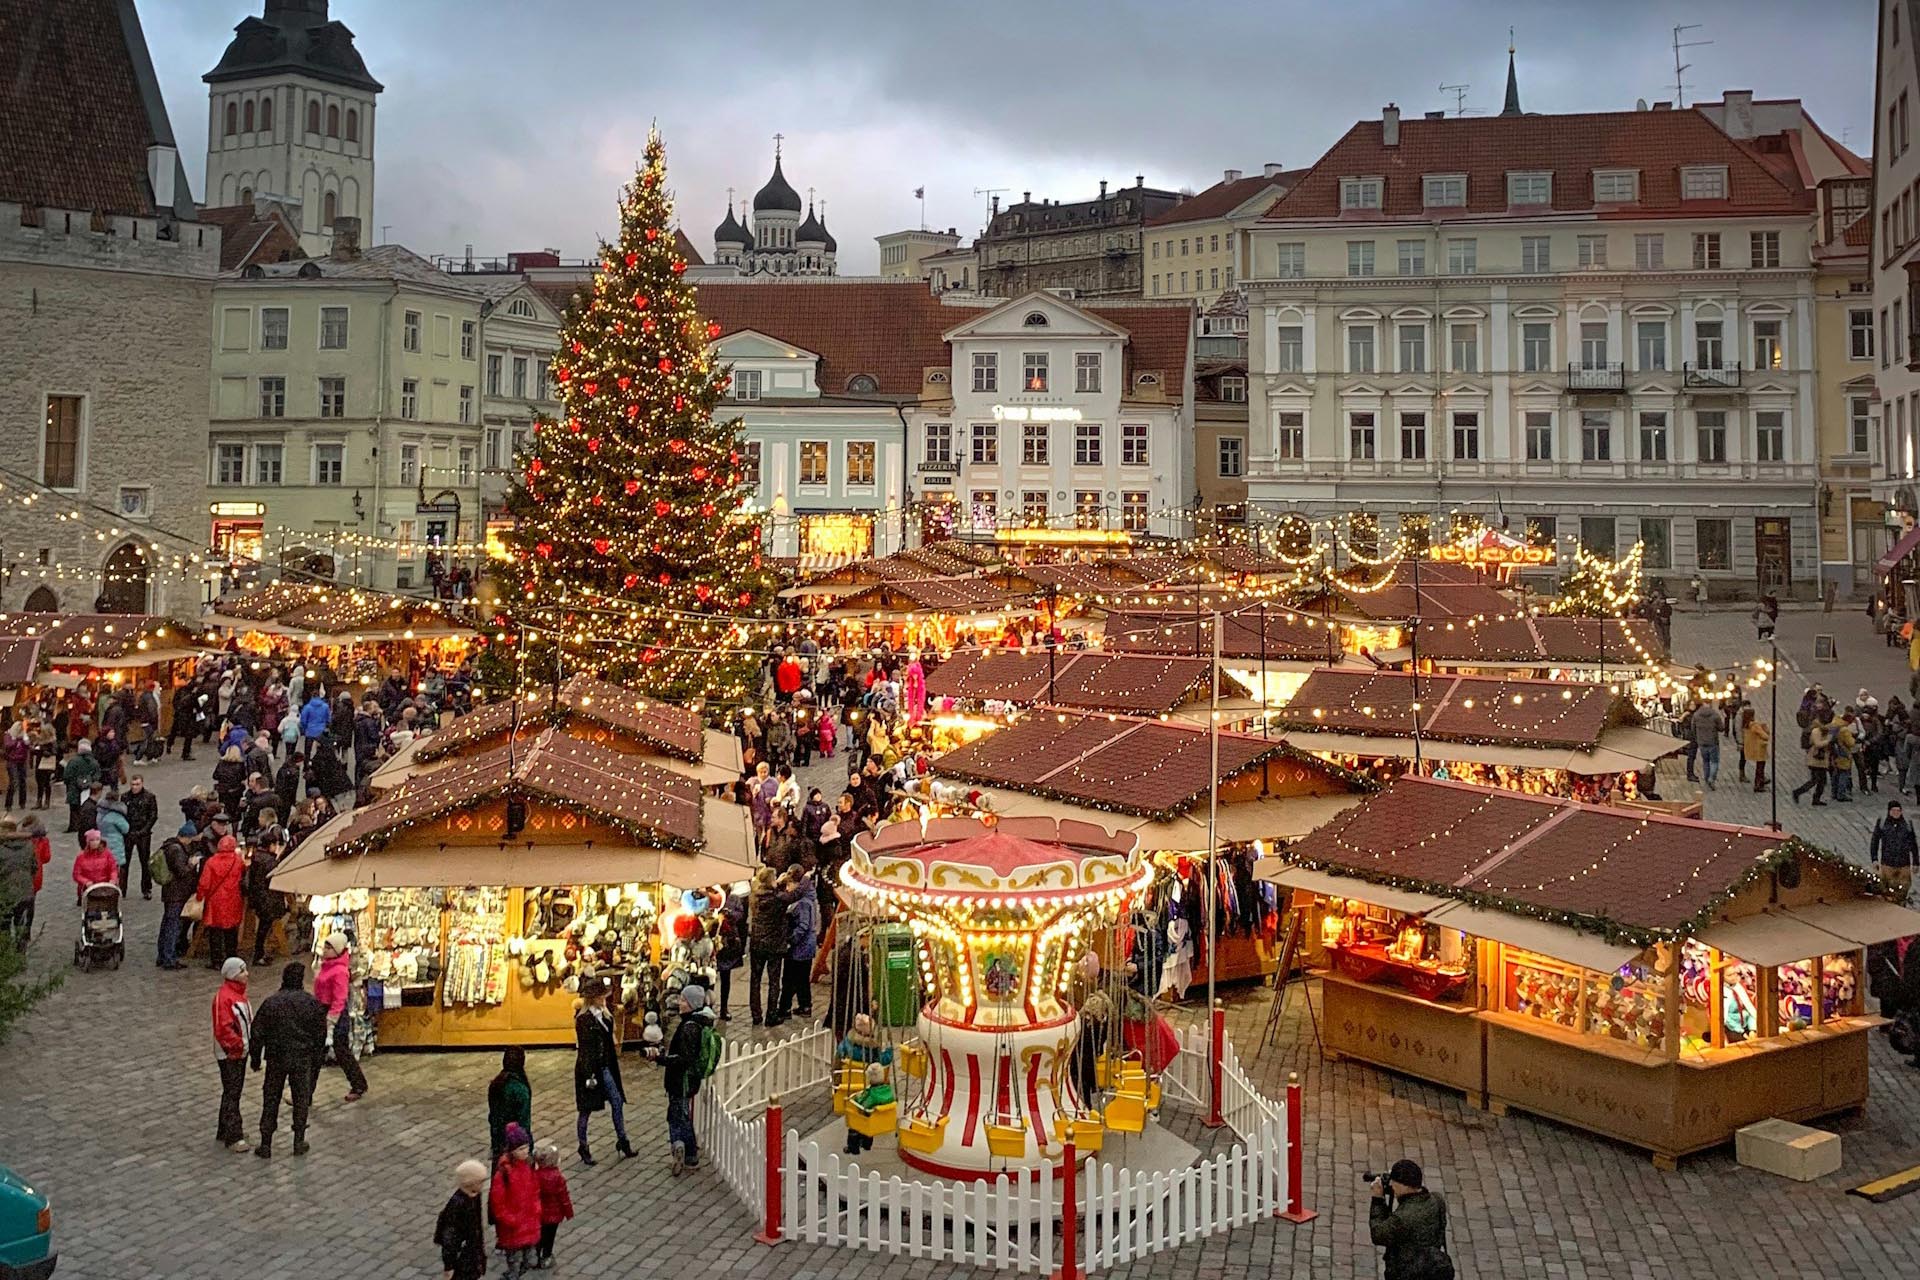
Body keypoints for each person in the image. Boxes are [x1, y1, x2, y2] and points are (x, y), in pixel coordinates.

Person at [249, 960, 327, 1158]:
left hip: (276, 1058)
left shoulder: (271, 1003)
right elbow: (320, 1036)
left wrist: (256, 1059)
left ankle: (266, 1142)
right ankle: (298, 1140)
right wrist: (316, 1059)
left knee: (271, 1098)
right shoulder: (311, 1004)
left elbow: (257, 1032)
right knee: (301, 1098)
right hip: (301, 1059)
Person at [572, 976, 633, 1165]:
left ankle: (622, 1139)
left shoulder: (605, 1015)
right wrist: (589, 1074)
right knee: (586, 1110)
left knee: (617, 1101)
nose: (604, 999)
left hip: (606, 1067)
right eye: (601, 996)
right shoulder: (583, 1019)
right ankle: (583, 1146)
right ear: (594, 998)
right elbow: (586, 1049)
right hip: (589, 1069)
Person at [662, 984, 717, 1175]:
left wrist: (662, 1059)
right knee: (679, 1113)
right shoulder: (697, 1023)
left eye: (684, 1000)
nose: (680, 1003)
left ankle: (684, 1150)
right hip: (687, 1080)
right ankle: (687, 1152)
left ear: (692, 1004)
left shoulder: (689, 1027)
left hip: (681, 1080)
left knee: (678, 1116)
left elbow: (684, 1059)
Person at [1369, 1158, 1451, 1280]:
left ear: (1405, 1186)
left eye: (1394, 1182)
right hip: (1431, 1267)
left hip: (1407, 1272)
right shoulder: (1437, 1199)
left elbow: (1378, 1234)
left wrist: (1377, 1200)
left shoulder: (1402, 1218)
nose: (1391, 1185)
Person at [313, 933, 369, 1101]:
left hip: (334, 1014)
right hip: (323, 1010)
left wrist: (331, 1022)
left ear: (337, 950)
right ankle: (304, 1094)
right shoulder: (326, 965)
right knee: (317, 1054)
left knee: (340, 1051)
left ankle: (358, 1084)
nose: (325, 950)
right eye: (325, 946)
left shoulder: (339, 971)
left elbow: (339, 998)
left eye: (329, 947)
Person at [489, 1124, 542, 1280]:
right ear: (512, 1150)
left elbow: (535, 1189)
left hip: (529, 1219)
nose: (525, 1151)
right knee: (513, 1257)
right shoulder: (504, 1173)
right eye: (520, 1149)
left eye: (526, 1147)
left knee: (529, 1257)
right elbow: (497, 1202)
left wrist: (537, 1208)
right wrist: (509, 1218)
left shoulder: (529, 1165)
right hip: (513, 1225)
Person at [211, 957, 254, 1153]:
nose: (247, 974)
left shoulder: (236, 994)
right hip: (231, 1054)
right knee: (232, 1094)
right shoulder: (225, 997)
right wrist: (238, 1046)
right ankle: (233, 1135)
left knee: (231, 1091)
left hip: (238, 1051)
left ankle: (224, 1129)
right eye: (243, 971)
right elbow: (223, 1029)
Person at [747, 866, 790, 1027]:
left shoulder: (755, 896)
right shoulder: (777, 900)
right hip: (774, 945)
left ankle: (756, 1014)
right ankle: (771, 1015)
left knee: (755, 979)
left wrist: (776, 883)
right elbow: (789, 897)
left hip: (757, 942)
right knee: (774, 981)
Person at [196, 833, 248, 968]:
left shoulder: (211, 862)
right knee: (231, 930)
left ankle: (216, 961)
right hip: (232, 899)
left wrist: (200, 896)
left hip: (215, 900)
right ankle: (231, 957)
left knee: (215, 930)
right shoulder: (237, 861)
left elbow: (204, 883)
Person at [434, 1159, 490, 1280]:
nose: (483, 1184)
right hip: (462, 1259)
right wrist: (449, 1266)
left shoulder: (475, 1196)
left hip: (472, 1253)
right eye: (480, 1181)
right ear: (471, 1183)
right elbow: (449, 1239)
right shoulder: (457, 1206)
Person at [779, 866, 819, 1022]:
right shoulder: (809, 898)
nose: (788, 890)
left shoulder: (802, 903)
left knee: (790, 978)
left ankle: (785, 1008)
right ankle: (805, 1005)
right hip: (806, 947)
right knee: (802, 979)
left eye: (789, 886)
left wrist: (791, 941)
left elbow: (803, 926)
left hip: (800, 948)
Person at [245, 826, 288, 964]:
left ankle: (260, 953)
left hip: (259, 897)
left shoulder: (257, 858)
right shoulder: (270, 862)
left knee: (264, 927)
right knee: (264, 927)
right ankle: (259, 955)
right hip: (268, 899)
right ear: (271, 845)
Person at [533, 1142, 574, 1270]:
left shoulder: (535, 1176)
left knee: (538, 1236)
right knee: (549, 1238)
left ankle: (535, 1257)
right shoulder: (558, 1177)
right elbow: (563, 1197)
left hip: (539, 1213)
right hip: (553, 1215)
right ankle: (546, 1256)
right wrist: (568, 1212)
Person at [1872, 801, 1918, 904]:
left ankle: (1900, 904)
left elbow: (1913, 843)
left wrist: (1916, 862)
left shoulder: (1907, 824)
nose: (1896, 813)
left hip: (1904, 864)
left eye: (1898, 811)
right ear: (1889, 812)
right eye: (1893, 811)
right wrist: (1874, 859)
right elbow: (1875, 841)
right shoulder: (1883, 823)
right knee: (1886, 888)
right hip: (1887, 863)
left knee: (1904, 887)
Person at [123, 774, 158, 900]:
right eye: (133, 784)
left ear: (142, 783)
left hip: (143, 834)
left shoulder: (149, 797)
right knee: (124, 862)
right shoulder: (125, 797)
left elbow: (153, 816)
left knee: (145, 862)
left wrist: (144, 830)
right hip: (129, 833)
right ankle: (122, 888)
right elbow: (122, 815)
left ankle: (146, 888)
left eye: (137, 784)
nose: (135, 787)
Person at [1792, 715, 1833, 808]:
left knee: (1822, 781)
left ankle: (1816, 799)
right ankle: (1798, 792)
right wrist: (1828, 741)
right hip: (1814, 759)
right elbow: (1818, 744)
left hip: (1822, 760)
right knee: (1815, 780)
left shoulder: (1826, 731)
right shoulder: (1816, 731)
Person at [95, 788, 130, 893]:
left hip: (102, 842)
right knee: (115, 869)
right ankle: (114, 890)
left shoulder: (100, 813)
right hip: (115, 844)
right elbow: (126, 828)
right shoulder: (115, 815)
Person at [60, 739, 98, 833]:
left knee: (74, 809)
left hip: (74, 788)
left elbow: (66, 775)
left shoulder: (73, 761)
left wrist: (69, 783)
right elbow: (97, 775)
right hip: (88, 788)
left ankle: (74, 826)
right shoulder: (94, 762)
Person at [71, 829, 117, 904]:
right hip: (88, 888)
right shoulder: (81, 857)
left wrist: (113, 879)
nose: (95, 842)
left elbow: (113, 869)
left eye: (97, 839)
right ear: (88, 842)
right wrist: (86, 882)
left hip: (105, 887)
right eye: (92, 840)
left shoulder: (107, 854)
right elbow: (76, 874)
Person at [1744, 714, 1771, 795]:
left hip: (1755, 749)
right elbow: (1765, 736)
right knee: (1760, 768)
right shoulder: (1755, 726)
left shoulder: (1747, 726)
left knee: (1760, 767)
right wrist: (1765, 727)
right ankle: (1758, 784)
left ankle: (1761, 782)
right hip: (1759, 749)